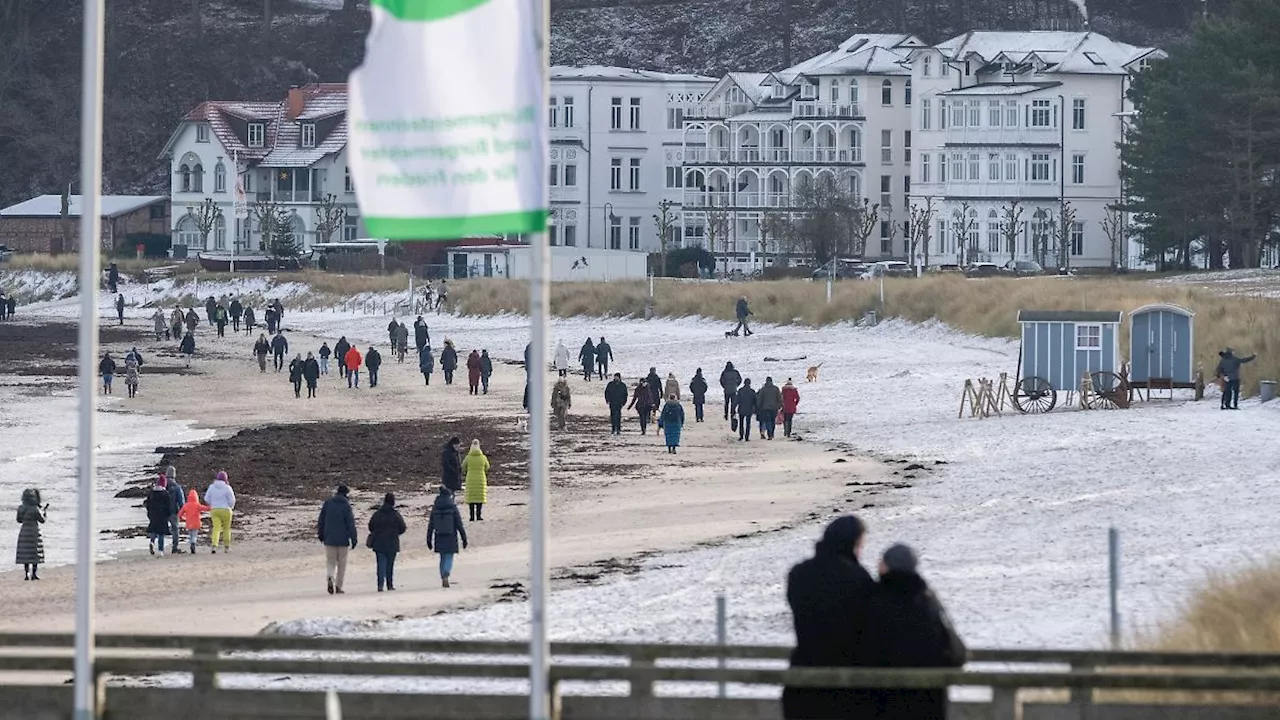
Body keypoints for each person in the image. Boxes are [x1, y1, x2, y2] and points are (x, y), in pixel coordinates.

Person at [781, 516, 878, 720]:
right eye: (860, 546)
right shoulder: (858, 578)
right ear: (852, 544)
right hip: (847, 684)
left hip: (802, 679)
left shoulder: (799, 574)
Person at [864, 544, 967, 720]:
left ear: (886, 566)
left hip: (884, 701)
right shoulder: (927, 600)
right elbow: (952, 648)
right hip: (928, 700)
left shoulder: (874, 600)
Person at [317, 484, 358, 595]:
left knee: (330, 562)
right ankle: (338, 586)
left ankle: (330, 576)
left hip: (329, 538)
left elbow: (321, 520)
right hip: (343, 539)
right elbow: (350, 523)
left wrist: (320, 534)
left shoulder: (328, 503)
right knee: (342, 563)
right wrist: (354, 538)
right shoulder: (346, 506)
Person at [426, 487, 467, 588]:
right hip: (450, 535)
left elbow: (431, 524)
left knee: (442, 557)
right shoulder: (452, 506)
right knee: (449, 556)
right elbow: (459, 524)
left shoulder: (435, 507)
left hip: (439, 535)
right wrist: (464, 538)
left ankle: (443, 576)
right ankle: (446, 574)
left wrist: (429, 539)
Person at [367, 493, 406, 592]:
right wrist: (396, 533)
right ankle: (390, 584)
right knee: (390, 565)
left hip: (379, 543)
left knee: (381, 564)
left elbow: (371, 526)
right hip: (392, 542)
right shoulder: (395, 514)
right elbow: (403, 527)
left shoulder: (377, 514)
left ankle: (380, 585)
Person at [15, 489, 47, 581]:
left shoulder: (21, 508)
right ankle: (34, 574)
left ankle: (26, 574)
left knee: (25, 554)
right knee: (34, 554)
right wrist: (44, 513)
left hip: (24, 531)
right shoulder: (35, 509)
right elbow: (42, 520)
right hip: (34, 532)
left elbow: (19, 520)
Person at [204, 471, 236, 553]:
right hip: (226, 510)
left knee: (216, 528)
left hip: (215, 510)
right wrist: (230, 507)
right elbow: (232, 500)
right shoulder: (227, 488)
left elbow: (206, 499)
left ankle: (214, 545)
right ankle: (226, 547)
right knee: (226, 528)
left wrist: (212, 504)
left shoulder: (212, 487)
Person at [144, 475, 175, 557]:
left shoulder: (151, 493)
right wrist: (168, 515)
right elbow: (169, 506)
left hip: (153, 514)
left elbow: (147, 503)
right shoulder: (165, 494)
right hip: (162, 515)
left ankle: (152, 542)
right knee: (161, 533)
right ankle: (161, 550)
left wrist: (149, 513)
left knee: (154, 530)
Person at [463, 439, 490, 521]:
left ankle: (471, 517)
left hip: (470, 478)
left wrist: (466, 472)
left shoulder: (468, 458)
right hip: (481, 478)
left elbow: (463, 467)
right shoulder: (483, 457)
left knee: (471, 499)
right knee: (479, 498)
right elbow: (487, 467)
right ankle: (478, 516)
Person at [178, 489, 210, 554]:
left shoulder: (186, 505)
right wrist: (211, 507)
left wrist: (182, 518)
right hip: (196, 523)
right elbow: (205, 508)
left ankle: (191, 544)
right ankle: (193, 543)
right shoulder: (197, 505)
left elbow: (180, 514)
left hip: (189, 523)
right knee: (194, 535)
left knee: (190, 535)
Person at [163, 465, 184, 553]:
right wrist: (182, 511)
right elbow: (181, 501)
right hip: (174, 511)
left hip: (163, 511)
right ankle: (175, 547)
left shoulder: (162, 486)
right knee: (175, 529)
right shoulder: (177, 487)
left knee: (160, 530)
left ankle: (159, 546)